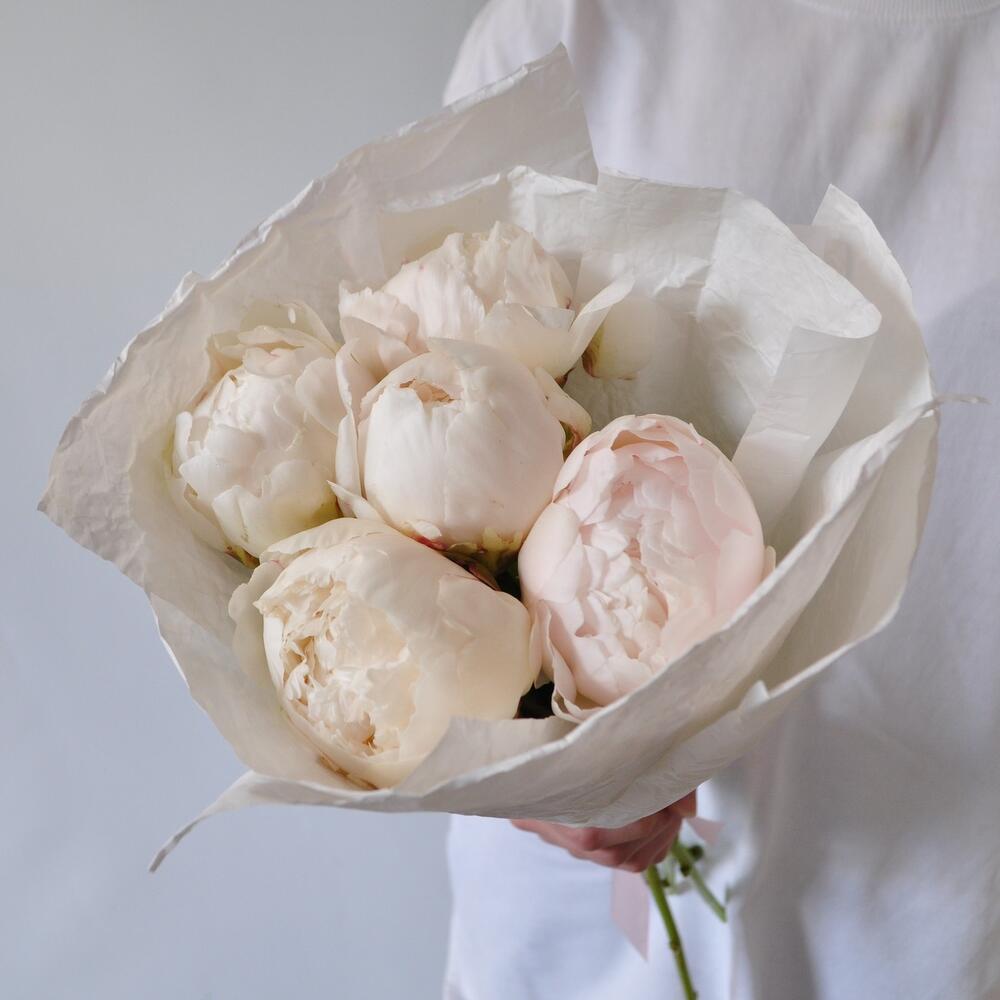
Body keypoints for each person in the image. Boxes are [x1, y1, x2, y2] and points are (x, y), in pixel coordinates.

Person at [441, 2, 1000, 998]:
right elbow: (424, 439)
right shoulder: (569, 26)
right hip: (582, 921)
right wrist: (524, 768)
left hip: (945, 898)